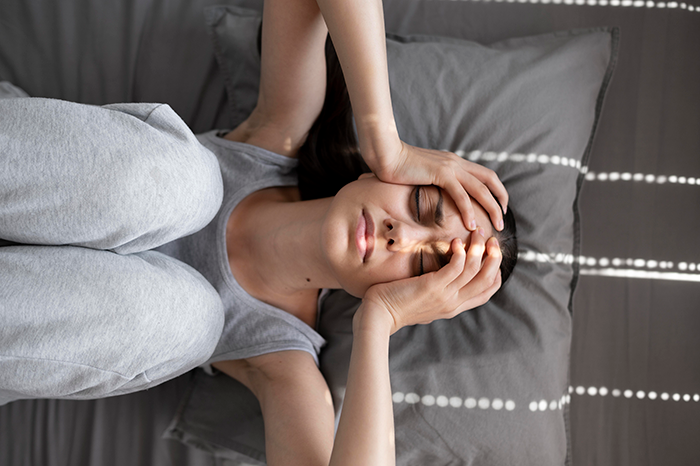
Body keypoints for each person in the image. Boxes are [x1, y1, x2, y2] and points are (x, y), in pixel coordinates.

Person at [0, 0, 516, 464]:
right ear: (381, 175)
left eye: (420, 265)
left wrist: (378, 322)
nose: (398, 237)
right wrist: (386, 142)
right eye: (420, 205)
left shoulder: (282, 363)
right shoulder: (280, 131)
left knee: (190, 320)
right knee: (190, 183)